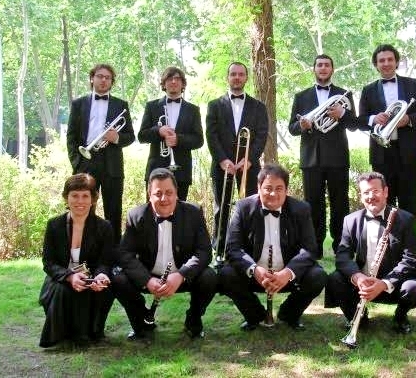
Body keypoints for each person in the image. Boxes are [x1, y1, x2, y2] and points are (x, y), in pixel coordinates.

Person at [111, 168, 217, 341]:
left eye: (169, 193)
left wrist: (181, 274)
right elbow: (124, 254)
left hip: (181, 275)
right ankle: (142, 322)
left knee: (209, 277)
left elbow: (204, 251)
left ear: (176, 193)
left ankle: (193, 320)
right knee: (119, 280)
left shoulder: (193, 212)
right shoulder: (136, 215)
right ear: (149, 195)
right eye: (158, 193)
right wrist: (147, 280)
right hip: (150, 275)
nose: (164, 199)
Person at [219, 163, 327, 331]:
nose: (273, 194)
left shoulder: (301, 209)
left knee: (317, 276)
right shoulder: (243, 207)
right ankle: (255, 315)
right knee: (226, 274)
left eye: (279, 189)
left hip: (287, 276)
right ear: (258, 188)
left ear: (286, 190)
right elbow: (233, 248)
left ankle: (289, 314)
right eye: (268, 188)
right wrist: (254, 269)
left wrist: (287, 273)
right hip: (255, 275)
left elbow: (310, 249)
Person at [325, 171, 416, 334]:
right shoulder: (351, 220)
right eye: (366, 192)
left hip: (392, 284)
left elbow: (412, 260)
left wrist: (384, 283)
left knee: (413, 288)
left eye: (375, 191)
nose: (371, 196)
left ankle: (400, 317)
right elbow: (342, 257)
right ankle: (358, 317)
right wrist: (357, 277)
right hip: (363, 284)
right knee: (335, 279)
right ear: (361, 196)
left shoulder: (405, 219)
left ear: (385, 192)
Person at [288, 54, 358, 257]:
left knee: (340, 204)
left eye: (327, 65)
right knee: (312, 206)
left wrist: (342, 115)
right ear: (314, 69)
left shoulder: (344, 94)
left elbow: (354, 125)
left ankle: (341, 247)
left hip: (337, 158)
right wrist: (302, 125)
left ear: (332, 69)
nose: (323, 68)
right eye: (319, 65)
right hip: (311, 159)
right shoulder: (301, 96)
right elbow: (292, 128)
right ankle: (314, 247)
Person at [39, 173, 115, 348]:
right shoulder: (54, 225)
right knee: (62, 289)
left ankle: (93, 331)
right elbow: (48, 262)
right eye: (74, 195)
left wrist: (100, 276)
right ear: (66, 197)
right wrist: (70, 277)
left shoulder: (104, 227)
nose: (80, 201)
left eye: (85, 196)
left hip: (91, 278)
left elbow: (105, 261)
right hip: (61, 278)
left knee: (107, 287)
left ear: (93, 199)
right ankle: (62, 335)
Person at [358, 44, 416, 218]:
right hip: (381, 153)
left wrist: (408, 119)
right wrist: (373, 119)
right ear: (376, 65)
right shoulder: (368, 90)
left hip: (408, 152)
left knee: (409, 201)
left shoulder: (413, 84)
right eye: (381, 61)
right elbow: (360, 121)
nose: (386, 63)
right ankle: (386, 236)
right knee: (383, 202)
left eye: (390, 59)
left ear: (396, 62)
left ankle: (408, 236)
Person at [205, 62, 269, 262]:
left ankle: (248, 250)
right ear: (228, 77)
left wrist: (249, 160)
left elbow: (262, 135)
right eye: (233, 74)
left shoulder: (258, 107)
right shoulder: (214, 105)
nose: (237, 77)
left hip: (249, 167)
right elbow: (211, 135)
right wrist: (223, 160)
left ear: (246, 78)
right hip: (221, 166)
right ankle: (219, 251)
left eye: (241, 74)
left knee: (250, 209)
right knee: (221, 209)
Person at [66, 63, 135, 243]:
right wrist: (77, 163)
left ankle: (113, 252)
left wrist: (116, 137)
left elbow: (130, 136)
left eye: (107, 78)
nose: (103, 80)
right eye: (100, 76)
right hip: (85, 162)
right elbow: (71, 136)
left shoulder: (121, 105)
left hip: (112, 164)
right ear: (92, 78)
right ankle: (83, 249)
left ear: (112, 82)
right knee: (83, 210)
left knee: (114, 211)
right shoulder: (79, 104)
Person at [138, 66, 204, 200]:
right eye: (169, 79)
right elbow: (142, 136)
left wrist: (178, 139)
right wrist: (158, 131)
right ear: (163, 84)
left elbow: (199, 140)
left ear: (183, 84)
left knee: (179, 210)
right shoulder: (151, 106)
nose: (173, 81)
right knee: (152, 209)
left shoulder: (193, 110)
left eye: (177, 79)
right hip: (156, 169)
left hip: (181, 171)